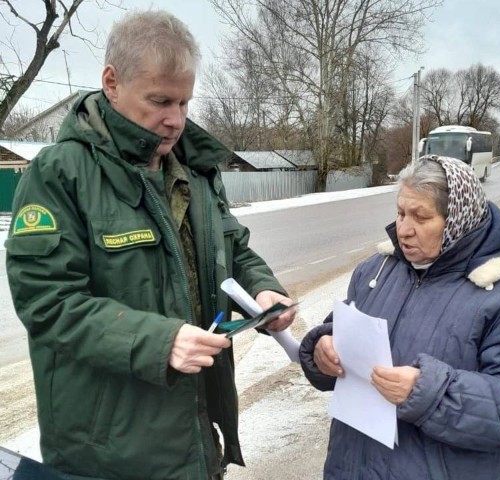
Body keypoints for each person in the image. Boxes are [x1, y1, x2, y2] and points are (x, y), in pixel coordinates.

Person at [5, 10, 295, 480]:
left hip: (195, 436)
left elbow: (232, 246)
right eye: (160, 101)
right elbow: (47, 303)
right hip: (110, 452)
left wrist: (262, 289)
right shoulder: (59, 174)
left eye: (184, 103)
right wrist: (159, 343)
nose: (175, 120)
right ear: (112, 82)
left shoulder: (195, 170)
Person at [299, 155, 500, 479]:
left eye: (420, 217)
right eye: (400, 213)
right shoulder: (377, 271)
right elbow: (341, 329)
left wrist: (429, 393)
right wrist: (323, 349)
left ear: (456, 219)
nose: (404, 230)